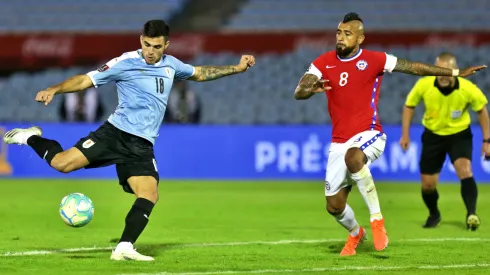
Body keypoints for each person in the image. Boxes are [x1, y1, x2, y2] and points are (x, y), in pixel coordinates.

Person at [3, 19, 255, 261]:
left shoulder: (172, 65)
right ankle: (31, 137)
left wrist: (237, 68)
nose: (151, 52)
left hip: (142, 145)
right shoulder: (126, 61)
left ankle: (124, 247)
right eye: (147, 44)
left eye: (157, 47)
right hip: (115, 134)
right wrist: (54, 89)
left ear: (166, 45)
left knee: (149, 194)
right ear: (141, 40)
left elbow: (200, 73)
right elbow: (87, 79)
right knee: (61, 164)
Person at [294, 12, 486, 256]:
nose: (341, 38)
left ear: (360, 38)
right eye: (338, 33)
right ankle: (356, 234)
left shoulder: (376, 60)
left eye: (347, 34)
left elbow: (413, 67)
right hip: (338, 141)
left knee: (354, 157)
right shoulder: (323, 62)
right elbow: (298, 91)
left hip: (369, 133)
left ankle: (377, 220)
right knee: (334, 206)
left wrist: (455, 74)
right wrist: (310, 89)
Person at [399, 52, 490, 231]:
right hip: (433, 136)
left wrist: (487, 140)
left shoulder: (467, 88)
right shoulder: (424, 84)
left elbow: (482, 110)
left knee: (465, 170)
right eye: (439, 70)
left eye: (446, 70)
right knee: (427, 186)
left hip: (459, 135)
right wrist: (405, 134)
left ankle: (471, 214)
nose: (442, 74)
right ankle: (434, 214)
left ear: (454, 71)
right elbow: (409, 105)